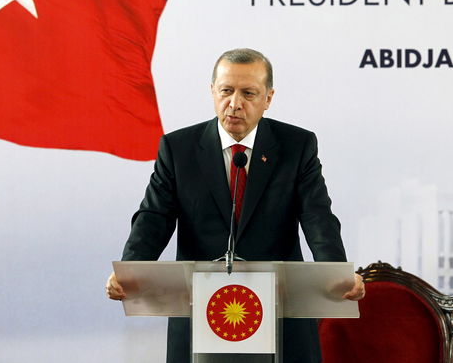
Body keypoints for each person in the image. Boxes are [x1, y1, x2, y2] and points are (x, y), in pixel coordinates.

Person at [106, 48, 364, 363]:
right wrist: (132, 267)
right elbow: (154, 217)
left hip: (279, 312)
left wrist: (334, 272)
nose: (235, 103)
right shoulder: (178, 148)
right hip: (201, 309)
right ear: (212, 91)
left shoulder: (297, 146)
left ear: (268, 98)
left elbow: (318, 217)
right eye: (226, 91)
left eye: (249, 93)